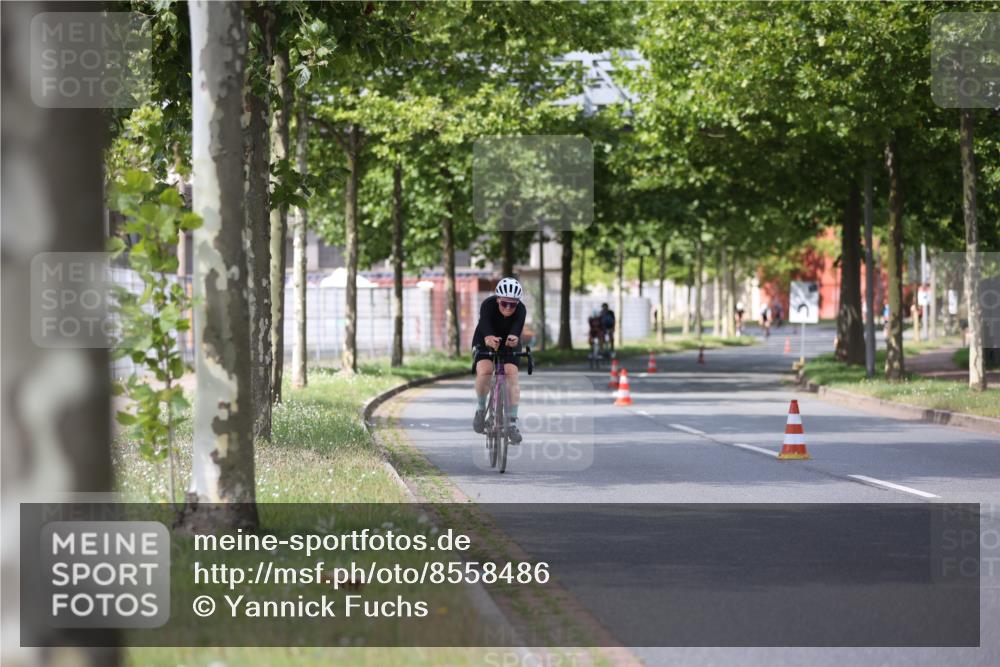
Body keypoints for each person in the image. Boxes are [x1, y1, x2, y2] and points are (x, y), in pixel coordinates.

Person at [472, 277, 526, 444]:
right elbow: (485, 323)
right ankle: (481, 410)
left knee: (512, 374)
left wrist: (514, 337)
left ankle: (511, 423)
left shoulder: (521, 309)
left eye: (512, 304)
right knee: (486, 370)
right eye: (504, 304)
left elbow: (517, 326)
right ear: (497, 300)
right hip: (484, 338)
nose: (508, 308)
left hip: (510, 341)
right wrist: (488, 337)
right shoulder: (488, 305)